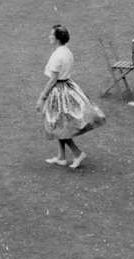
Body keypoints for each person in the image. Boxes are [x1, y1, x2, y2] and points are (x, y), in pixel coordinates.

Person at [36, 24, 104, 168]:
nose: (49, 37)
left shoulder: (57, 55)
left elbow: (53, 79)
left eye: (51, 35)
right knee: (59, 124)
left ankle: (78, 153)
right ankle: (61, 157)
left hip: (59, 91)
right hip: (67, 86)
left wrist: (42, 97)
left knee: (60, 126)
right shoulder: (67, 52)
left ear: (57, 38)